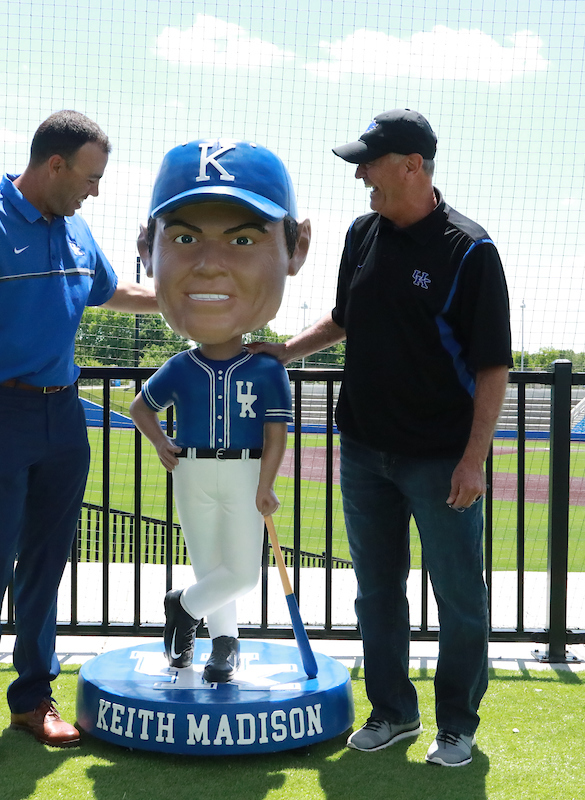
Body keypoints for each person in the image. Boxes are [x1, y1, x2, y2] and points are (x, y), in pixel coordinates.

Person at [246, 110, 511, 766]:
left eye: (370, 162)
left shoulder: (470, 250)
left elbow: (492, 366)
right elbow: (344, 317)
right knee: (376, 589)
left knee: (457, 594)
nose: (360, 174)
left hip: (440, 458)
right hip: (363, 448)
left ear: (414, 165)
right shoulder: (363, 233)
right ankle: (393, 712)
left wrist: (473, 459)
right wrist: (287, 352)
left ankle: (457, 723)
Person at [0, 110, 158, 767]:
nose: (95, 191)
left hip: (63, 419)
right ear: (54, 166)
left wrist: (190, 299)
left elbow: (114, 291)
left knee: (46, 567)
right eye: (90, 177)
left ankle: (31, 700)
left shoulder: (75, 230)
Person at [129, 139, 311, 682]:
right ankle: (222, 648)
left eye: (243, 238)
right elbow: (141, 407)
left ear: (294, 247)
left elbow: (277, 432)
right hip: (191, 466)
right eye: (185, 237)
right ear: (150, 246)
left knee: (242, 573)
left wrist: (268, 480)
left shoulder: (265, 365)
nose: (210, 265)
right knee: (212, 565)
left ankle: (181, 608)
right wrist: (163, 444)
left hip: (243, 466)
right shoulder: (183, 365)